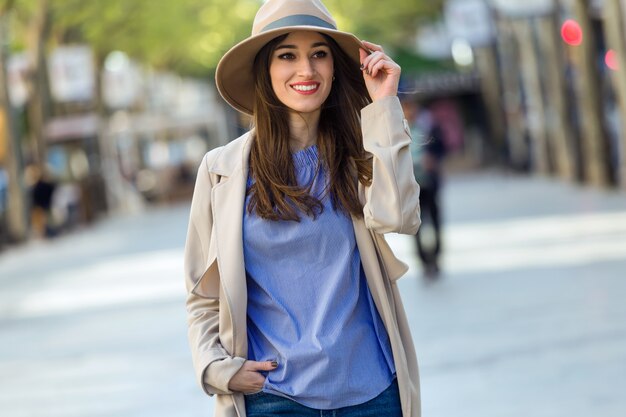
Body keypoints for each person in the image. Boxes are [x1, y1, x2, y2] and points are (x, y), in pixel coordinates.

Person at [183, 1, 421, 416]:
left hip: (371, 393)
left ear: (334, 67)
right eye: (287, 55)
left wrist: (384, 106)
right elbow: (202, 295)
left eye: (319, 54)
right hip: (273, 399)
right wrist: (216, 368)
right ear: (265, 69)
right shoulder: (221, 172)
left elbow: (400, 217)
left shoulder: (360, 156)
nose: (306, 70)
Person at [403, 99, 446, 279]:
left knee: (435, 222)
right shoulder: (396, 131)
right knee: (416, 226)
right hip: (410, 186)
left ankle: (436, 258)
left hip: (429, 182)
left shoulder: (427, 127)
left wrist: (433, 159)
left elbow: (441, 147)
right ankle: (424, 261)